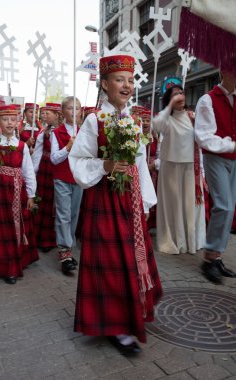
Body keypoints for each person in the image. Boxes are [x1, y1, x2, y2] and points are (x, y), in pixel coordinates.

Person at [69, 54, 162, 354]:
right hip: (105, 200)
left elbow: (140, 164)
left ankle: (130, 313)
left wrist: (146, 201)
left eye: (130, 79)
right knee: (111, 263)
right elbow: (78, 160)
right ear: (105, 84)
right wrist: (105, 165)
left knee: (131, 260)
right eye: (119, 79)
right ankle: (116, 326)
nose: (126, 85)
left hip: (131, 199)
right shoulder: (95, 120)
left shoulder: (133, 120)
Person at [0, 105, 38, 284]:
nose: (9, 123)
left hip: (17, 192)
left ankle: (15, 263)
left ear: (17, 122)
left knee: (15, 226)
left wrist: (31, 195)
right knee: (1, 229)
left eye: (12, 119)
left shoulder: (22, 146)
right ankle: (4, 266)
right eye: (5, 119)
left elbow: (28, 171)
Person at [153, 84, 206, 255]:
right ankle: (174, 240)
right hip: (170, 167)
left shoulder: (193, 117)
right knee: (173, 205)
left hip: (190, 167)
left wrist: (202, 175)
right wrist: (169, 106)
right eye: (175, 94)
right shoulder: (166, 119)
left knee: (189, 206)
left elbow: (201, 145)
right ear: (169, 99)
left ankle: (190, 241)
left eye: (181, 93)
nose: (179, 96)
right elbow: (156, 124)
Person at [195, 70, 236, 284]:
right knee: (223, 206)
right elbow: (204, 137)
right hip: (215, 157)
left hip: (234, 159)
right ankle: (209, 259)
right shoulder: (207, 99)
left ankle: (217, 257)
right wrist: (231, 144)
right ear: (224, 72)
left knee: (230, 208)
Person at [50, 96, 83, 275]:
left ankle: (68, 250)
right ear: (63, 112)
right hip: (62, 178)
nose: (74, 111)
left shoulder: (84, 131)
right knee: (63, 214)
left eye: (77, 108)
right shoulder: (57, 133)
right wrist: (68, 146)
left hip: (78, 178)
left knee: (73, 214)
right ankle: (64, 253)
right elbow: (55, 159)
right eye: (70, 108)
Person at [31, 103, 62, 252]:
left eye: (47, 113)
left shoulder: (62, 131)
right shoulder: (44, 132)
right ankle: (38, 237)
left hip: (56, 168)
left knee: (53, 203)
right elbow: (37, 152)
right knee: (42, 201)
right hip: (44, 169)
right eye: (43, 113)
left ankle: (50, 239)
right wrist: (34, 171)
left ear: (57, 114)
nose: (43, 116)